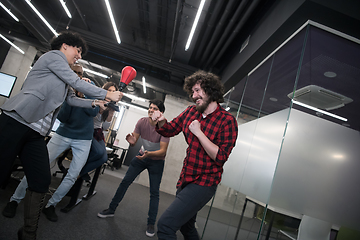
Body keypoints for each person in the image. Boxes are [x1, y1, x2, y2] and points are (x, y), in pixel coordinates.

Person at [0, 31, 122, 239]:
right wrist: (106, 94)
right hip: (17, 121)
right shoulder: (53, 57)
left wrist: (95, 102)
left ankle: (28, 232)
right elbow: (75, 82)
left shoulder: (63, 74)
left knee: (40, 180)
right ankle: (13, 203)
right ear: (65, 46)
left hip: (36, 133)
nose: (79, 56)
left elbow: (72, 99)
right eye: (78, 50)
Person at [151, 70, 238, 239]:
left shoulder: (227, 121)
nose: (194, 95)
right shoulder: (190, 112)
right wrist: (161, 120)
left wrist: (199, 132)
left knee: (166, 225)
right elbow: (169, 130)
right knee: (186, 227)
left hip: (204, 183)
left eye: (198, 90)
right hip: (186, 178)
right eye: (192, 92)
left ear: (211, 90)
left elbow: (220, 157)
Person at [97, 99, 170, 238]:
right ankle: (111, 209)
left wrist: (149, 154)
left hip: (156, 161)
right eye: (150, 108)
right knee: (125, 182)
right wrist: (131, 143)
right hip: (141, 156)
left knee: (154, 193)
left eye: (154, 108)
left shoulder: (165, 127)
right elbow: (134, 141)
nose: (151, 110)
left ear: (160, 113)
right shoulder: (142, 122)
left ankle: (151, 223)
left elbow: (163, 151)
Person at [79, 82, 119, 179]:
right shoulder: (95, 99)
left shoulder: (110, 106)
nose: (111, 93)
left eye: (114, 91)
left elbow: (105, 126)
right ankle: (78, 170)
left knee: (104, 158)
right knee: (98, 152)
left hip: (97, 132)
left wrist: (110, 114)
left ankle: (80, 172)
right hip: (88, 130)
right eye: (109, 90)